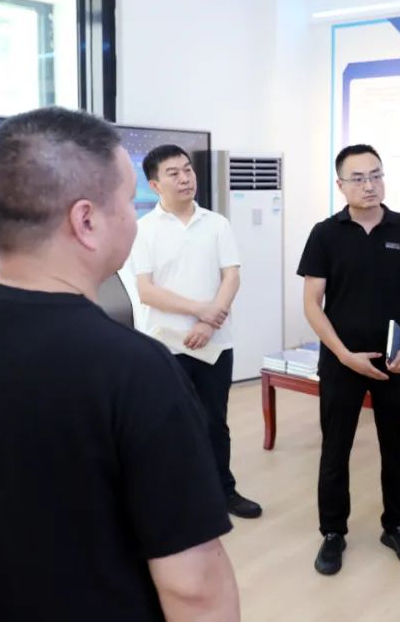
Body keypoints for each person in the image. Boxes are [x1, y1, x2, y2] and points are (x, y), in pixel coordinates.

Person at [0, 108, 239, 621]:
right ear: (86, 221)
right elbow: (193, 586)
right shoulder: (136, 370)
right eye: (128, 202)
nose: (134, 219)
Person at [297, 143, 400, 576]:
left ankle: (397, 526)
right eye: (358, 178)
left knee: (396, 445)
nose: (369, 185)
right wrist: (343, 355)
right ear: (341, 185)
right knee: (335, 448)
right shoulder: (325, 233)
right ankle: (332, 532)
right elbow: (312, 303)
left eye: (375, 175)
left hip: (394, 361)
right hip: (342, 361)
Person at [131, 144, 261, 520]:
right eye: (173, 173)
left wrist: (207, 322)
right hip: (164, 345)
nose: (185, 178)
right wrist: (198, 310)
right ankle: (177, 498)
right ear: (155, 185)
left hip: (214, 343)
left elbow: (231, 277)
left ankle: (223, 491)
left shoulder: (216, 224)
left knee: (214, 422)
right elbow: (146, 291)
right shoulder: (143, 230)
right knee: (169, 426)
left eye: (187, 170)